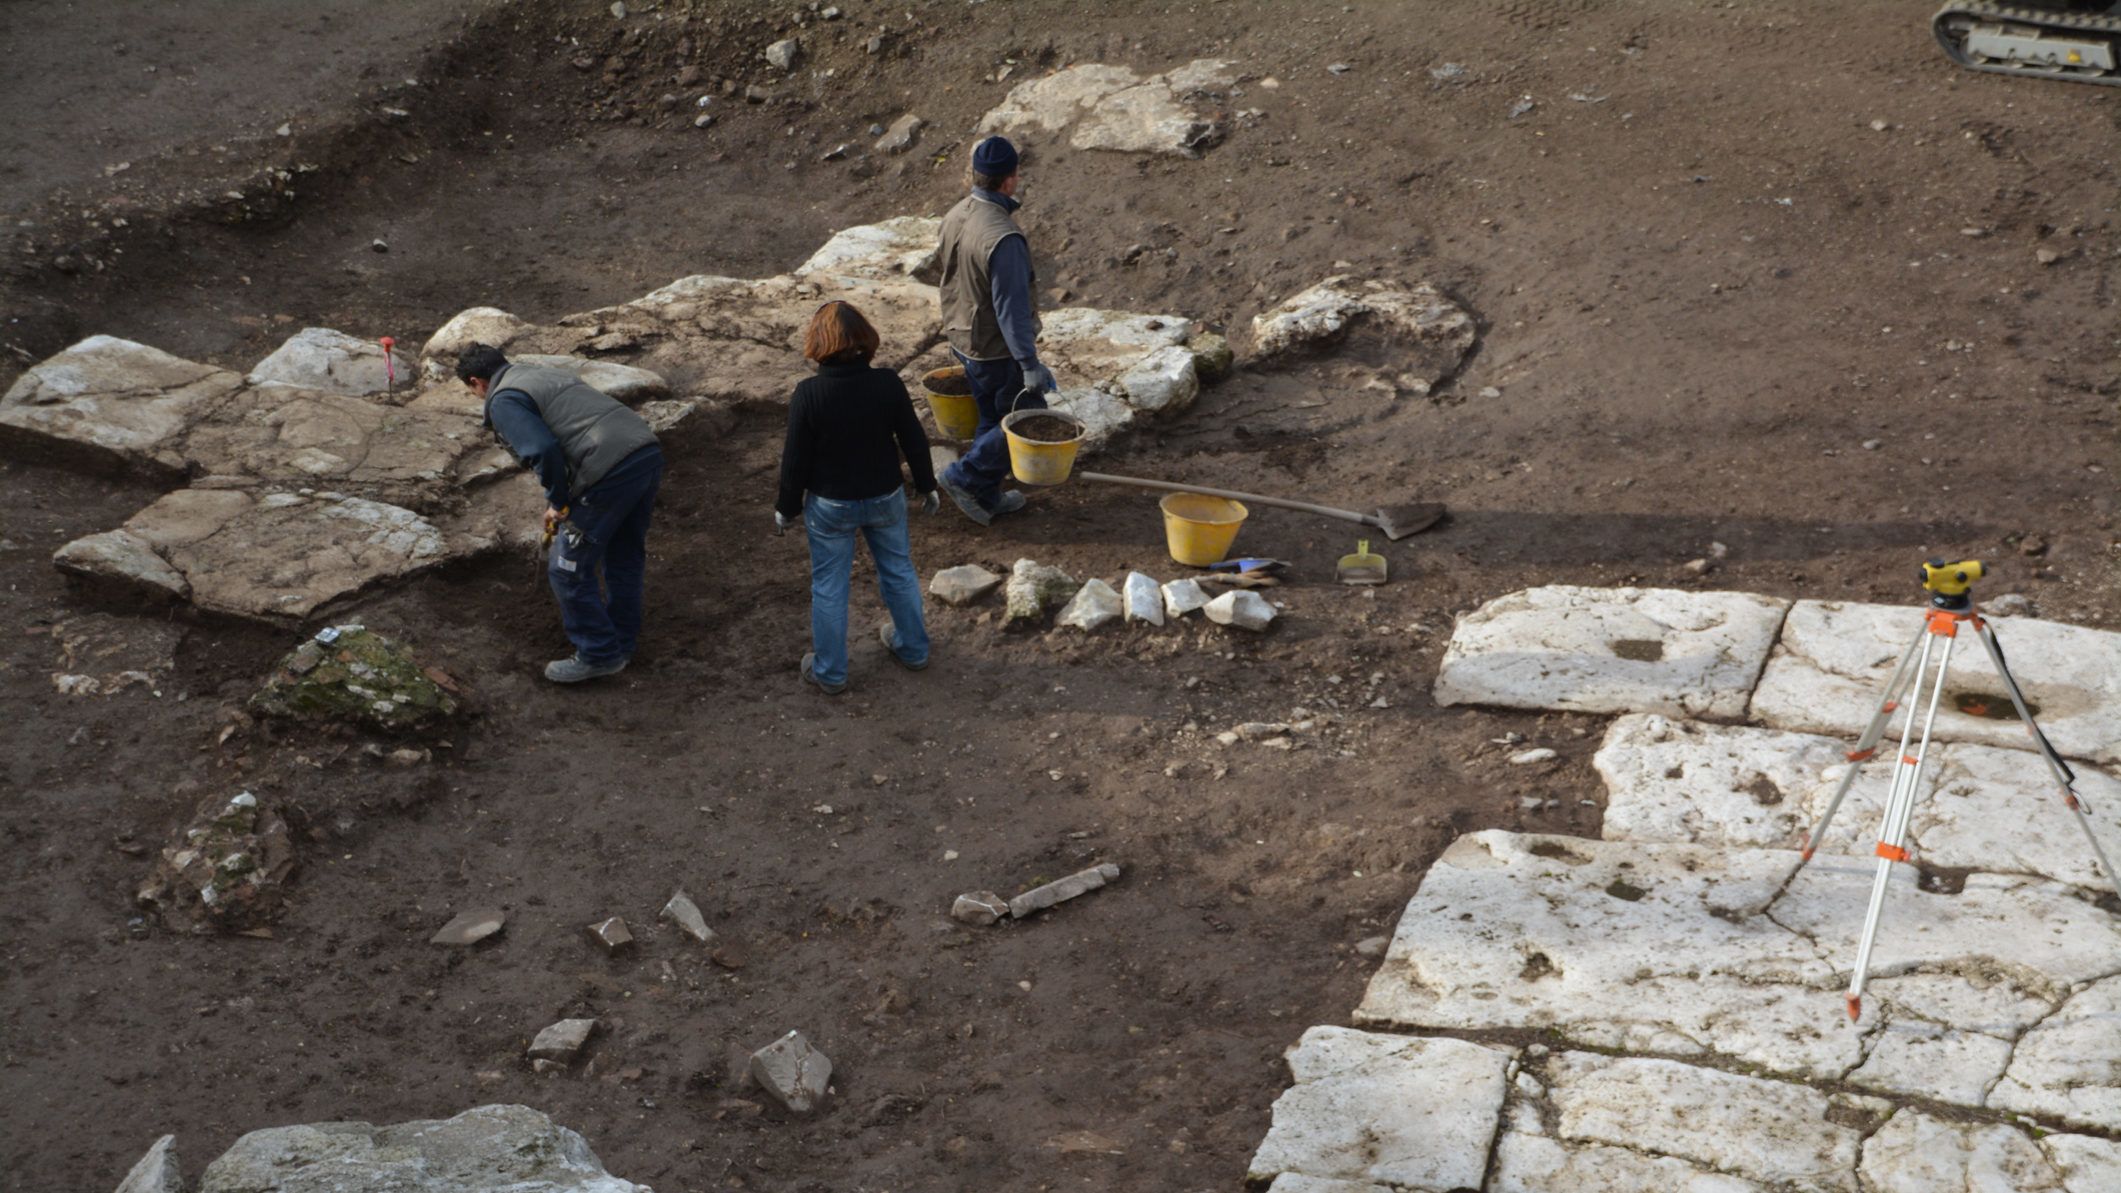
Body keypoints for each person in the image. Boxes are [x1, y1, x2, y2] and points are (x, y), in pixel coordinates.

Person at [457, 344, 663, 684]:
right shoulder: (538, 373)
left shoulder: (503, 399)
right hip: (644, 452)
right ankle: (622, 644)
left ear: (477, 382)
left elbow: (542, 449)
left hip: (607, 470)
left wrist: (558, 500)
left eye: (474, 392)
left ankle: (599, 653)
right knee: (623, 555)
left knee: (567, 569)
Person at [774, 301, 940, 695]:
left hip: (831, 505)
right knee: (898, 572)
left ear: (818, 343)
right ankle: (913, 649)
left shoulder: (808, 394)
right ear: (865, 339)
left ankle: (830, 673)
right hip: (884, 495)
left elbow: (795, 460)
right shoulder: (887, 383)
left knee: (830, 586)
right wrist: (926, 484)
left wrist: (786, 507)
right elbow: (913, 439)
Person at [933, 134, 1058, 526]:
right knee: (1024, 417)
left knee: (991, 416)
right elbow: (1011, 309)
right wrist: (1029, 362)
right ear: (1009, 180)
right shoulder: (1003, 237)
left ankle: (986, 491)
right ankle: (964, 478)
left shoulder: (956, 214)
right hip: (994, 347)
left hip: (962, 337)